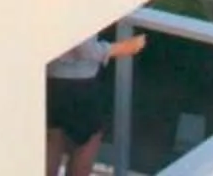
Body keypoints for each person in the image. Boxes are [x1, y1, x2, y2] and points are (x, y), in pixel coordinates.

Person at [46, 30, 149, 176]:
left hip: (52, 78)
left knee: (53, 140)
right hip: (79, 83)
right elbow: (86, 48)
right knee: (86, 143)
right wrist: (122, 48)